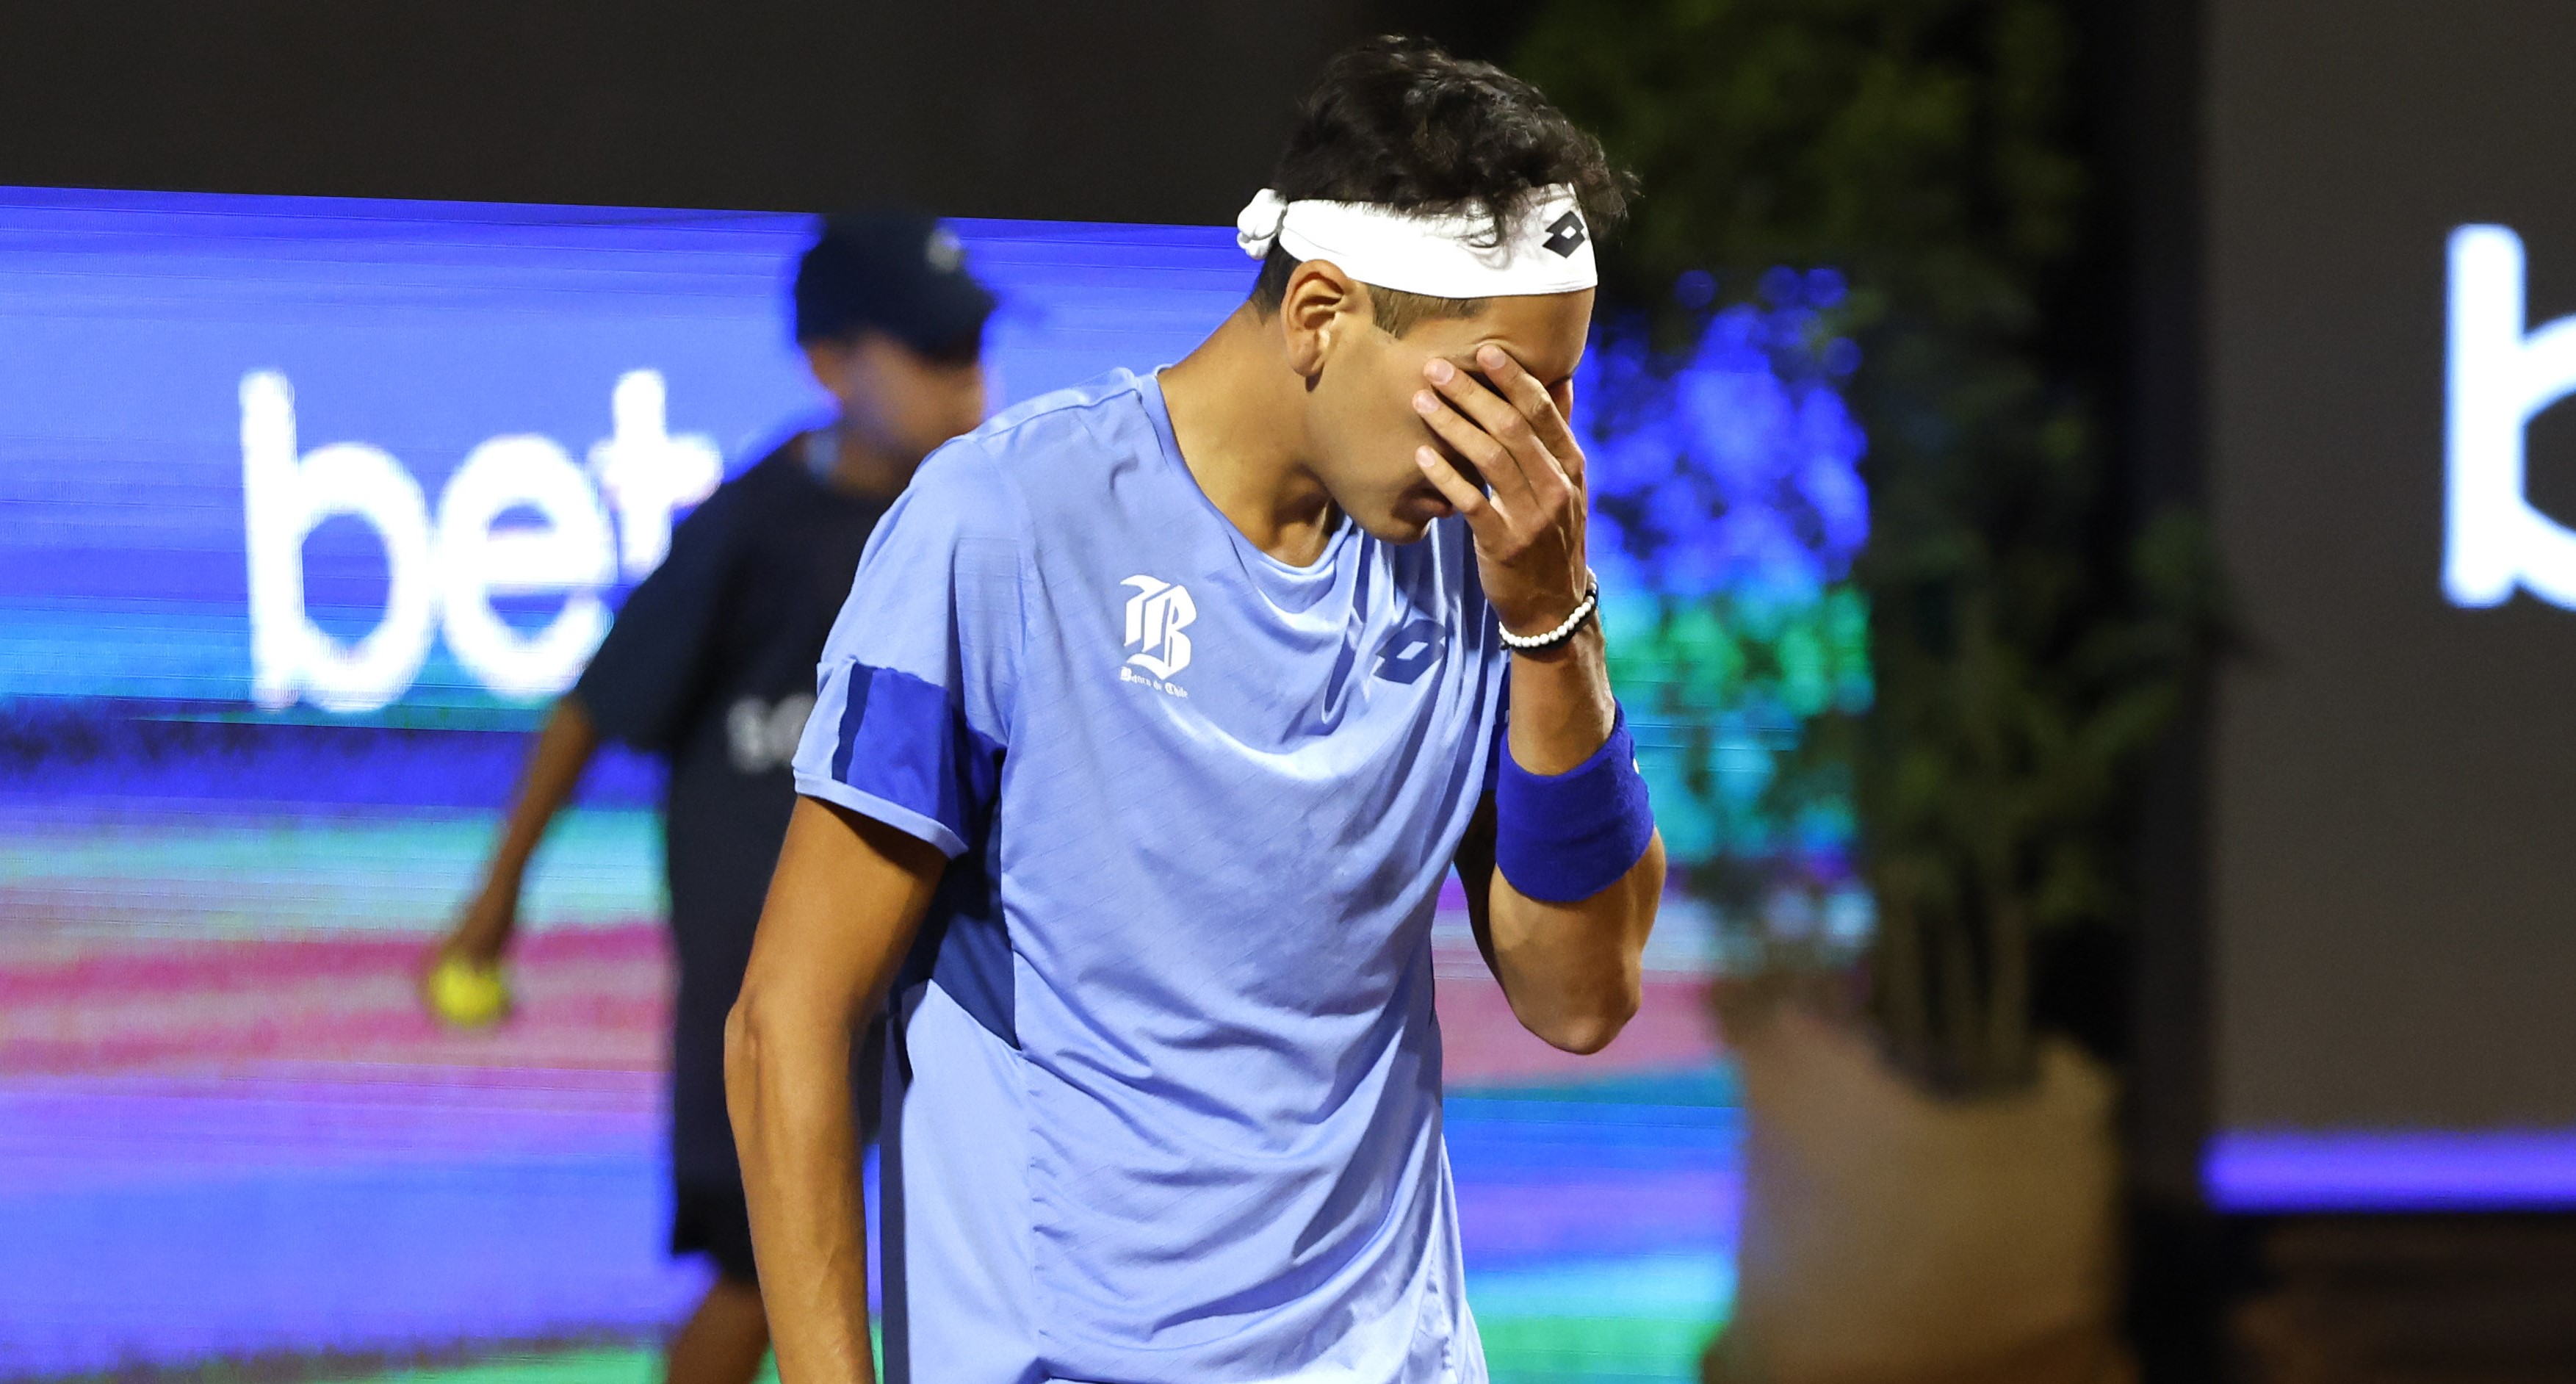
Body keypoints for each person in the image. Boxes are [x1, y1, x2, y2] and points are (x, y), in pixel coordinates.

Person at [727, 37, 1666, 1384]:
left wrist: (1551, 614)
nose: (1543, 449)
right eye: (1499, 391)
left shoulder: (1497, 566)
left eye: (1562, 391)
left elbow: (1582, 998)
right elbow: (788, 1024)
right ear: (1322, 314)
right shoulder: (1004, 526)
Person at [431, 211, 993, 1384]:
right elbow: (597, 706)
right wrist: (497, 901)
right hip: (771, 979)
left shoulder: (980, 520)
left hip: (934, 976)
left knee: (942, 1263)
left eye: (974, 350)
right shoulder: (753, 527)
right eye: (933, 354)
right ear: (834, 365)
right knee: (760, 1276)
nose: (970, 386)